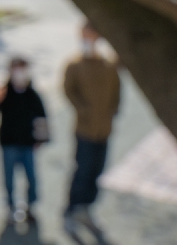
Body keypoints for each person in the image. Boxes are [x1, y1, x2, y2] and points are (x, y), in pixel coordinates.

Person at [63, 22, 120, 239]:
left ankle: (86, 208)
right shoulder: (75, 65)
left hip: (104, 128)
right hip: (85, 129)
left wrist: (111, 112)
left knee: (97, 170)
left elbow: (116, 92)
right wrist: (84, 110)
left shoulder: (108, 65)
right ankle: (71, 210)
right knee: (82, 169)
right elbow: (69, 91)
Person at [0, 57, 48, 225]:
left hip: (27, 143)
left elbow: (41, 116)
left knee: (31, 177)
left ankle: (31, 207)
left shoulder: (32, 95)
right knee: (8, 178)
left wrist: (41, 138)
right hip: (9, 143)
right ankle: (10, 207)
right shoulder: (5, 93)